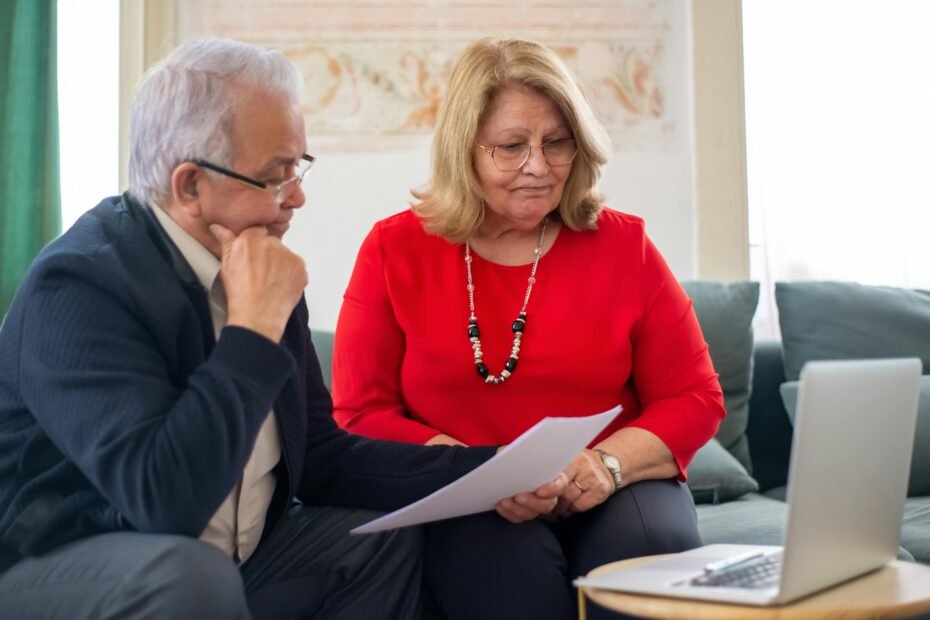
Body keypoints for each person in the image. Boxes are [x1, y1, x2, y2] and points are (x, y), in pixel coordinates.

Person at [0, 38, 566, 619]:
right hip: (60, 571)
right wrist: (252, 328)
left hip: (229, 564)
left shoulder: (257, 259)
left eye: (299, 168)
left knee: (376, 540)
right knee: (187, 576)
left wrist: (493, 470)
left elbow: (323, 458)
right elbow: (166, 501)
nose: (295, 197)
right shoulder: (79, 285)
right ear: (189, 185)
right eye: (275, 176)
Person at [332, 38, 726, 620]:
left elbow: (695, 395)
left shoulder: (625, 245)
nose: (538, 166)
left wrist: (605, 466)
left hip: (611, 482)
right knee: (503, 573)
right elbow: (359, 412)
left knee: (647, 554)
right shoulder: (394, 248)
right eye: (512, 147)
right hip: (467, 494)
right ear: (464, 150)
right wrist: (476, 472)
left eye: (557, 143)